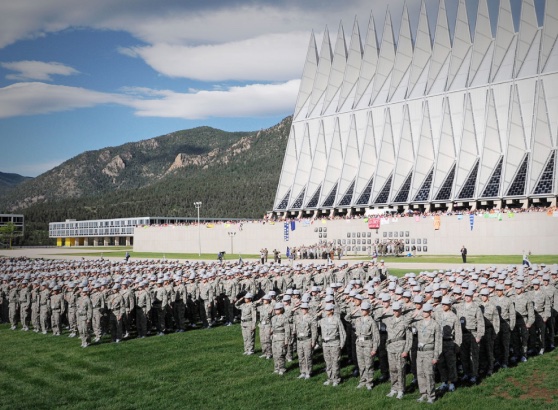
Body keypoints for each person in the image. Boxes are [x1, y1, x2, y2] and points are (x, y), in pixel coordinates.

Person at [381, 302, 412, 399]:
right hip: (390, 347)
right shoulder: (389, 320)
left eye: (396, 310)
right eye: (393, 310)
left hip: (400, 348)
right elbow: (377, 318)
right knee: (392, 369)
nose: (395, 312)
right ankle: (394, 388)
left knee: (400, 369)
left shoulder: (405, 321)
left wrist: (406, 350)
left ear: (401, 310)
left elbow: (409, 337)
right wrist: (385, 311)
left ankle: (401, 389)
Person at [416, 303, 441, 404]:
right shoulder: (419, 323)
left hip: (429, 352)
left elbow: (438, 342)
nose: (424, 313)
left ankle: (431, 395)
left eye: (426, 312)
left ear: (430, 312)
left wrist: (436, 356)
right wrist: (414, 314)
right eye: (423, 311)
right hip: (420, 352)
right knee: (420, 374)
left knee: (429, 374)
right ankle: (423, 393)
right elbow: (406, 324)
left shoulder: (435, 324)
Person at [353, 301, 380, 390]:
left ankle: (369, 382)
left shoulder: (372, 321)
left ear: (368, 310)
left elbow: (376, 336)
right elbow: (347, 318)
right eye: (362, 309)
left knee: (369, 364)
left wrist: (374, 349)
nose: (362, 311)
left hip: (368, 344)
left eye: (364, 309)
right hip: (359, 344)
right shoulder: (358, 319)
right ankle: (362, 380)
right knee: (361, 364)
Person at [320, 303, 346, 386]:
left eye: (328, 310)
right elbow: (313, 323)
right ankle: (330, 378)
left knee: (335, 362)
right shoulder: (323, 320)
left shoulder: (337, 320)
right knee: (328, 362)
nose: (326, 311)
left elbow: (342, 333)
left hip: (335, 343)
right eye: (325, 310)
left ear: (332, 310)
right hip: (325, 344)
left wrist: (342, 344)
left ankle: (336, 379)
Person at [293, 302, 317, 379]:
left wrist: (313, 341)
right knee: (300, 356)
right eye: (302, 308)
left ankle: (308, 372)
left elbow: (314, 331)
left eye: (304, 308)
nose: (303, 310)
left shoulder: (311, 318)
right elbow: (295, 327)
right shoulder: (298, 317)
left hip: (307, 339)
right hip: (299, 340)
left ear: (307, 309)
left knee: (308, 356)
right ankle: (302, 371)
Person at [271, 302, 290, 375]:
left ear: (281, 309)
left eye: (278, 309)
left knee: (280, 354)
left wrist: (286, 340)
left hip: (281, 338)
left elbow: (287, 330)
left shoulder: (284, 318)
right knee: (275, 353)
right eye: (275, 309)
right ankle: (276, 368)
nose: (276, 310)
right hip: (274, 338)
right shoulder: (273, 318)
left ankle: (282, 368)